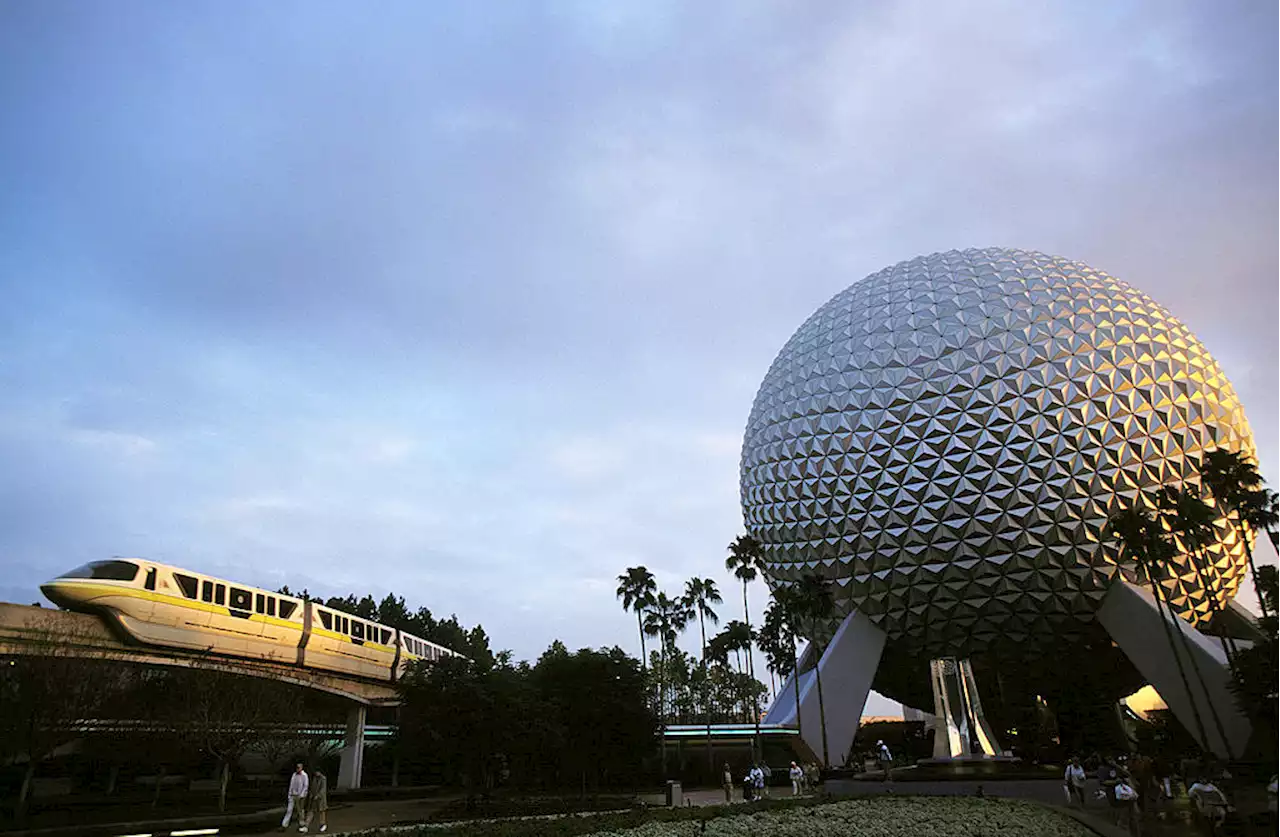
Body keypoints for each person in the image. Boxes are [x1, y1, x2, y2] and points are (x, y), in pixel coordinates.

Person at [282, 763, 309, 831]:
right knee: (289, 810)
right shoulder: (294, 775)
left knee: (300, 810)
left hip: (300, 795)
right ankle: (284, 824)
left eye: (299, 768)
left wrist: (301, 795)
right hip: (293, 795)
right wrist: (289, 794)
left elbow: (305, 786)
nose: (298, 769)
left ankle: (301, 824)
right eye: (297, 768)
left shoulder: (304, 775)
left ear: (301, 768)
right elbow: (291, 785)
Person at [301, 768, 328, 833]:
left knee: (321, 812)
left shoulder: (323, 779)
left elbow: (323, 789)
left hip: (321, 799)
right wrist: (311, 794)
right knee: (311, 812)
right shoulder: (315, 778)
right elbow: (313, 787)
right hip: (314, 799)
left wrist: (318, 795)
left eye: (317, 772)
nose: (316, 773)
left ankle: (323, 825)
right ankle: (306, 826)